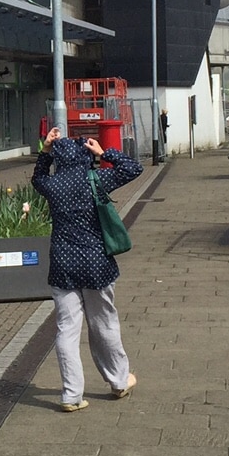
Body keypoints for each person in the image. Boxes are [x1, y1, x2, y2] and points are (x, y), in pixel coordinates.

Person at [32, 128, 142, 413]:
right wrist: (104, 152)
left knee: (66, 330)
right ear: (85, 157)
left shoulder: (52, 185)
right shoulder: (97, 178)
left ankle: (71, 395)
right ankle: (118, 381)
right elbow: (134, 168)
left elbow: (37, 178)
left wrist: (46, 150)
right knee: (103, 323)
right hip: (96, 263)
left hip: (63, 263)